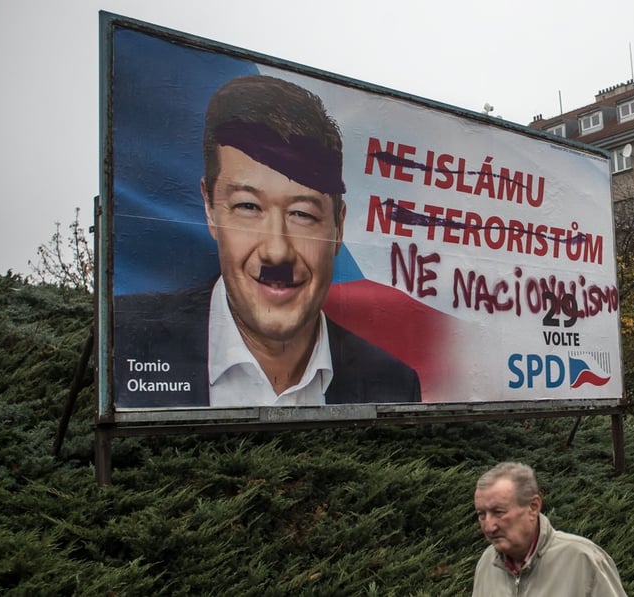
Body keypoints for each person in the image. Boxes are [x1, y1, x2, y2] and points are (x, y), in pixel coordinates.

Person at [114, 75, 421, 408]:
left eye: (303, 214)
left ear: (338, 226)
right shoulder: (125, 338)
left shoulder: (394, 383)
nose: (277, 252)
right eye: (248, 207)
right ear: (210, 207)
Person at [472, 462, 627, 596]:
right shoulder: (487, 563)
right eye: (481, 514)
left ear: (533, 507)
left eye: (498, 512)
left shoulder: (583, 559)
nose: (489, 526)